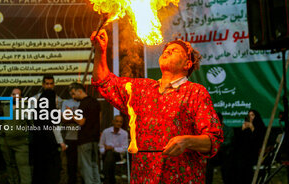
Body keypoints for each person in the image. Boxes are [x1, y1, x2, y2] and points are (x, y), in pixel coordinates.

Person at [91, 29, 223, 183]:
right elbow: (103, 81)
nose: (168, 51)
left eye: (175, 50)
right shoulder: (142, 88)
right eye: (166, 49)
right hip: (143, 178)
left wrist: (187, 141)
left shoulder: (196, 93)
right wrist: (101, 50)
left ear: (187, 64)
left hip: (181, 178)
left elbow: (214, 140)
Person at [68, 82, 101, 184]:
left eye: (73, 94)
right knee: (94, 165)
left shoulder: (83, 104)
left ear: (80, 91)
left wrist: (71, 114)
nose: (73, 96)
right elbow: (100, 118)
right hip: (95, 138)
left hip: (85, 139)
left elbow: (81, 121)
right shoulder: (95, 102)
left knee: (86, 167)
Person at [0, 88, 32, 184]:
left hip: (21, 143)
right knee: (10, 166)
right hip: (6, 142)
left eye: (17, 95)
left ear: (20, 97)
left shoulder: (26, 108)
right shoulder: (4, 107)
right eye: (13, 94)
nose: (15, 96)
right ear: (10, 95)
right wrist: (2, 132)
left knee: (23, 166)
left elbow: (31, 123)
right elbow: (0, 122)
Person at [31, 89, 63, 184]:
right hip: (50, 146)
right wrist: (61, 142)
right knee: (51, 171)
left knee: (39, 171)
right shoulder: (53, 111)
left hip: (38, 145)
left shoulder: (37, 111)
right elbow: (55, 128)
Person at [234, 109, 266, 184]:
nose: (251, 117)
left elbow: (259, 140)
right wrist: (242, 129)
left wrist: (252, 128)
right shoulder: (246, 127)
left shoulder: (260, 126)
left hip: (256, 153)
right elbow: (240, 141)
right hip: (245, 153)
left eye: (252, 115)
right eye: (249, 115)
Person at [206, 112, 234, 184]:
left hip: (225, 153)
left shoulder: (228, 129)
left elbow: (228, 142)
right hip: (214, 153)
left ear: (221, 120)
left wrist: (216, 144)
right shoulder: (211, 130)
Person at [99, 115, 129, 184]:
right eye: (117, 121)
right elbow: (101, 146)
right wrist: (105, 150)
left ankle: (105, 177)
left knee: (110, 154)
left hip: (118, 155)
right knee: (109, 155)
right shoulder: (106, 132)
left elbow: (124, 149)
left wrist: (113, 148)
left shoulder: (124, 134)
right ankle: (111, 180)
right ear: (113, 122)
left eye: (120, 122)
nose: (119, 123)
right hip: (105, 155)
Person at [61, 97, 81, 184]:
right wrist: (77, 118)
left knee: (81, 164)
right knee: (70, 164)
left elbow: (83, 121)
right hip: (69, 137)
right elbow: (64, 119)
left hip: (82, 137)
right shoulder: (66, 102)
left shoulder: (84, 102)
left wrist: (71, 114)